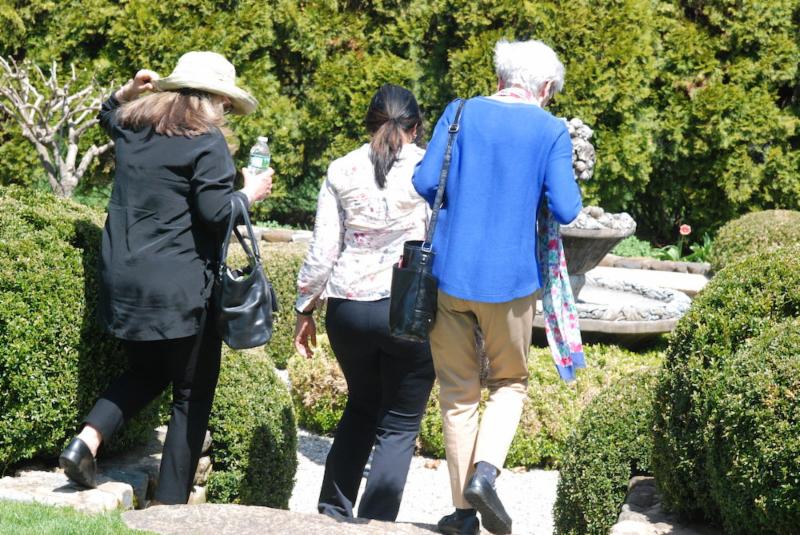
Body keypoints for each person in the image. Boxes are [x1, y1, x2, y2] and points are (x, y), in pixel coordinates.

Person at [58, 51, 273, 505]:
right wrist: (249, 194)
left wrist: (127, 91)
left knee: (149, 370)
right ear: (215, 98)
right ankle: (171, 511)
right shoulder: (207, 141)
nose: (227, 109)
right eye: (226, 102)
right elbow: (216, 214)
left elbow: (107, 114)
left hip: (124, 278)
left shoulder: (135, 125)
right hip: (180, 289)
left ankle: (85, 442)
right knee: (192, 396)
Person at [412, 39, 583, 535]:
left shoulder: (459, 112)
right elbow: (567, 208)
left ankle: (462, 515)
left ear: (500, 76)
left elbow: (425, 182)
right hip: (510, 283)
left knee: (457, 392)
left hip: (449, 276)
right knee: (509, 383)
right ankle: (485, 474)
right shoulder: (550, 129)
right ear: (545, 87)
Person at [293, 84, 435, 521]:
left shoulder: (342, 169)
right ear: (415, 127)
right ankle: (375, 526)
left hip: (349, 308)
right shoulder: (433, 169)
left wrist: (305, 307)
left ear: (369, 122)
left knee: (360, 406)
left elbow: (323, 251)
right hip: (409, 308)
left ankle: (331, 513)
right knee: (399, 425)